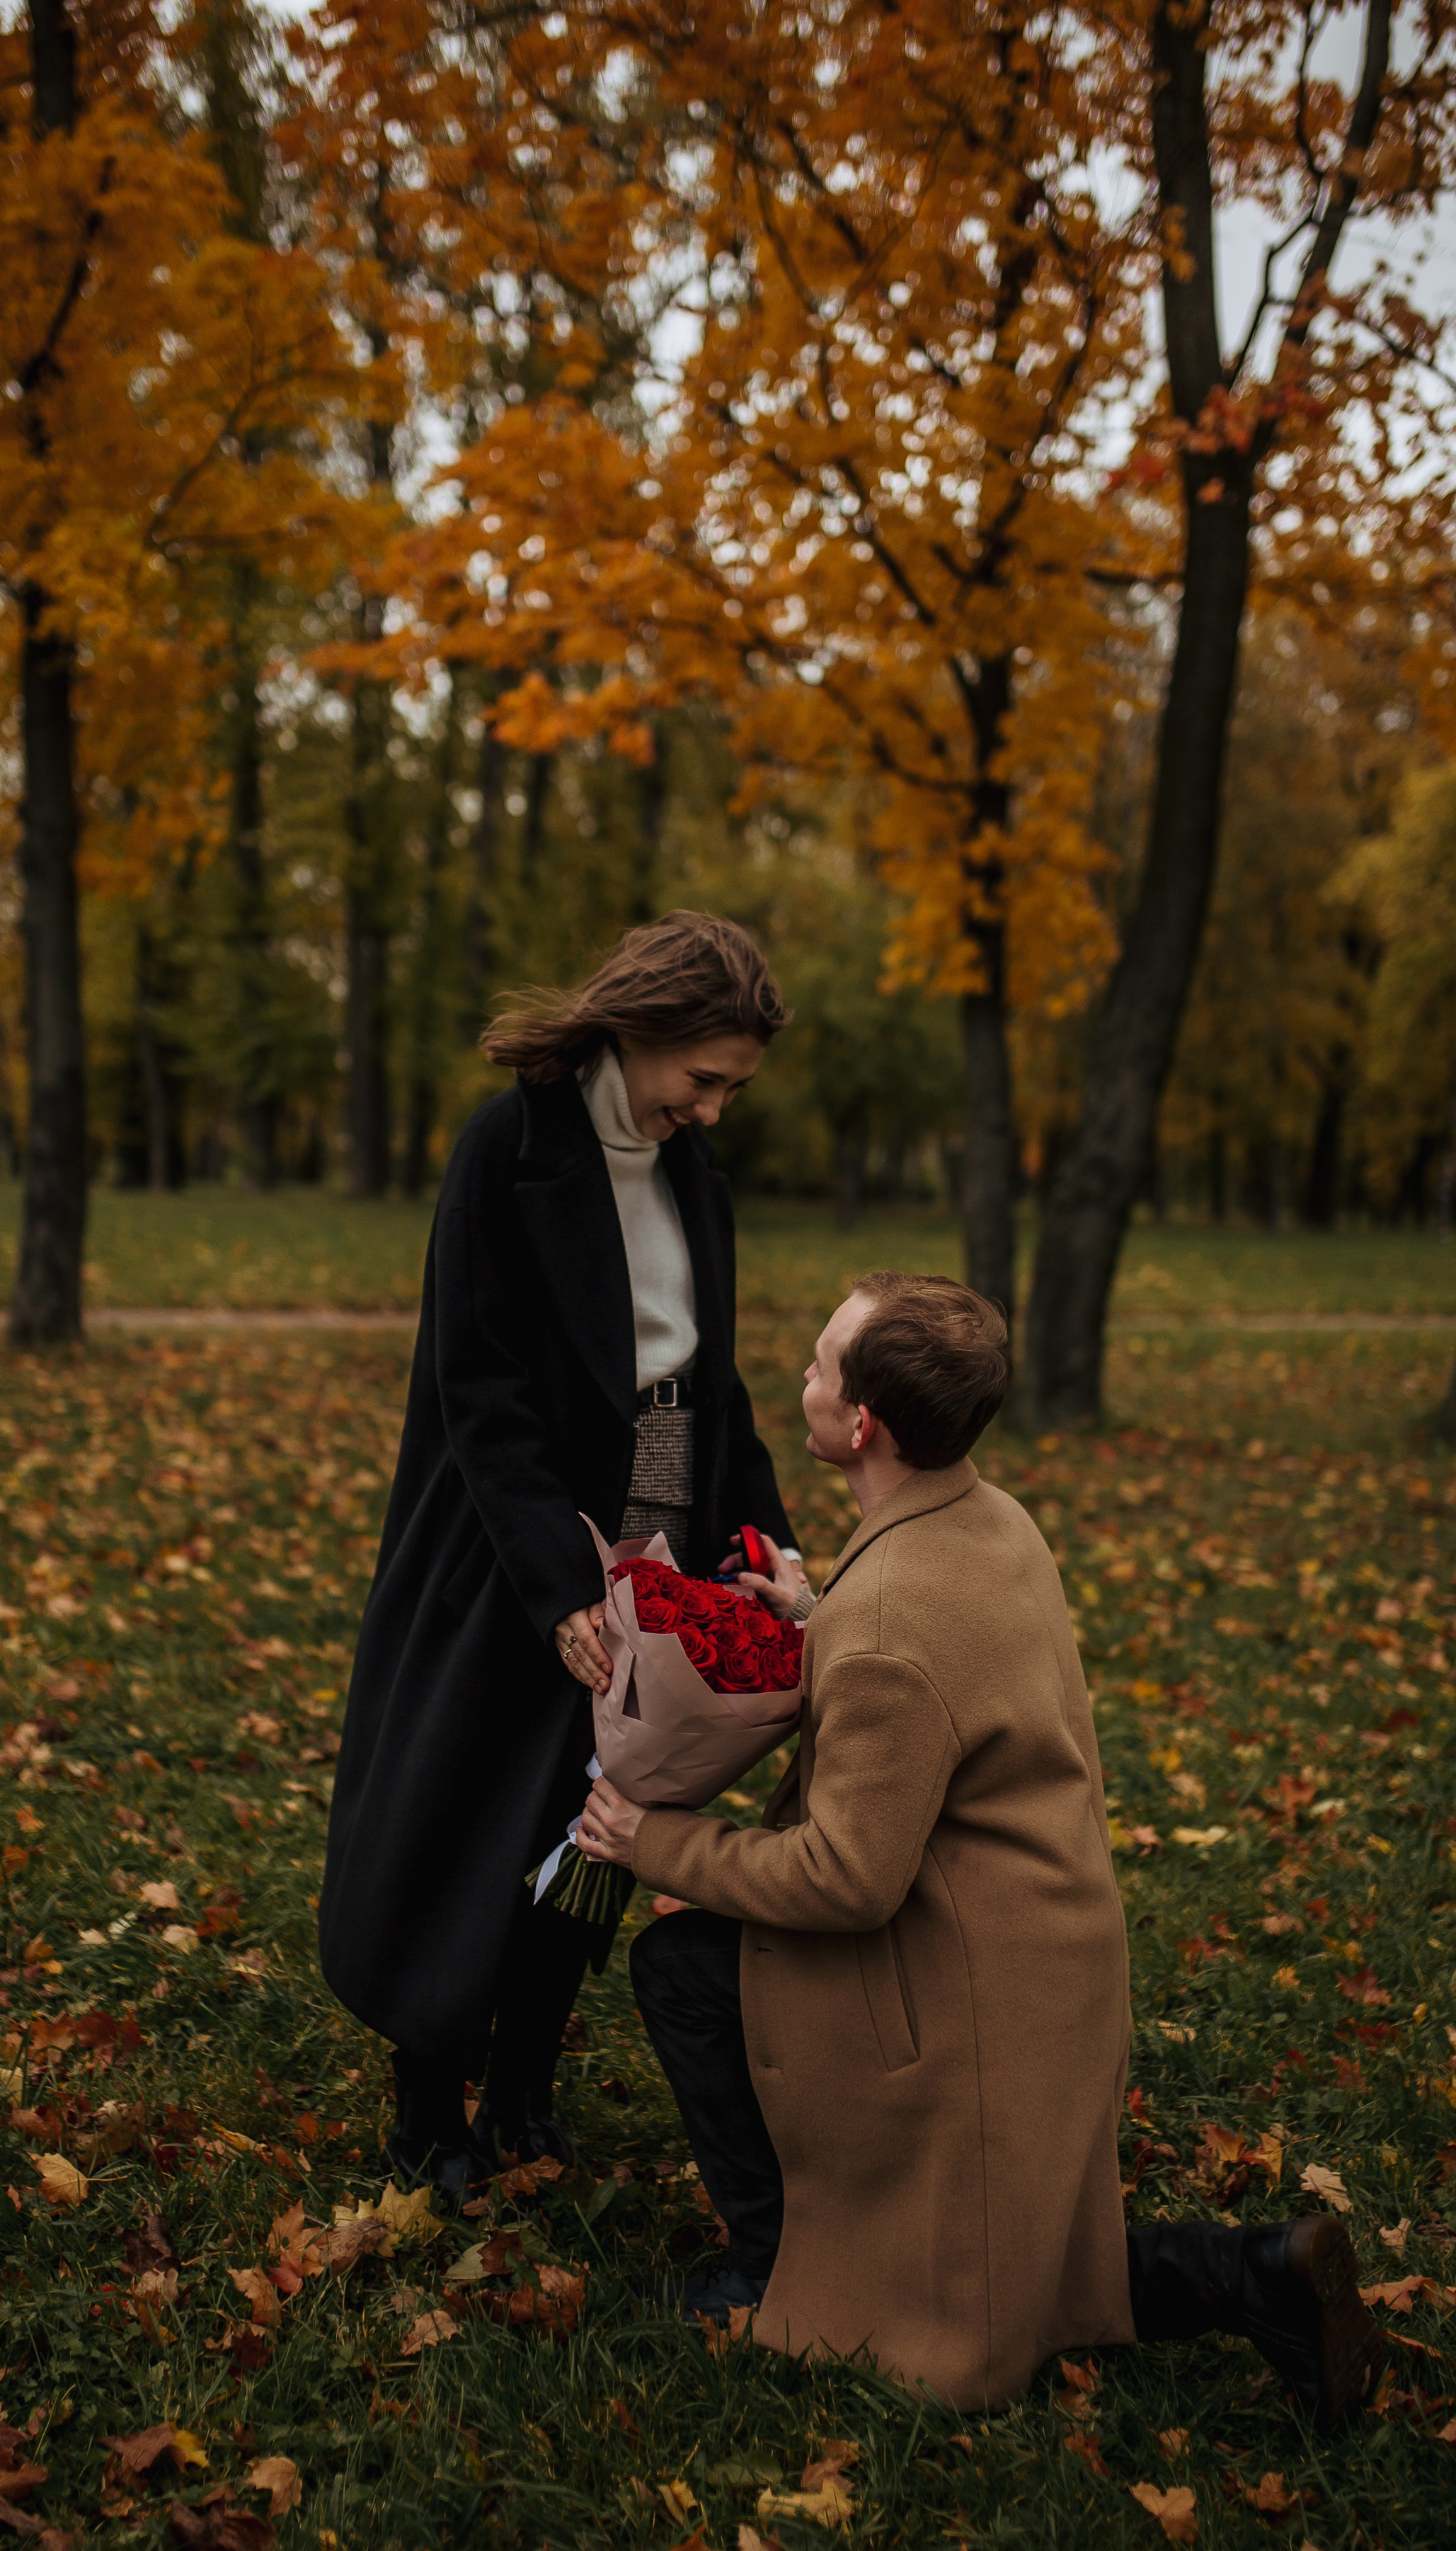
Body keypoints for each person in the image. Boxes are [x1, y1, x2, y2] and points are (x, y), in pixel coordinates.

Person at [575, 1272, 1382, 2425]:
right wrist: (813, 1614)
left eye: (818, 1364)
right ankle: (1262, 2275)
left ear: (861, 1425)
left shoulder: (891, 1626)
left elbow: (848, 1877)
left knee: (686, 1970)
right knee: (1022, 2260)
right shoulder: (986, 1516)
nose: (799, 1376)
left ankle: (777, 2268)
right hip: (1042, 1953)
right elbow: (926, 1652)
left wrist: (656, 1838)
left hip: (967, 1988)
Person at [319, 913, 803, 2205]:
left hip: (657, 1529)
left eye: (731, 1088)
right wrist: (556, 1592)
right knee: (473, 1818)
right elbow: (478, 1389)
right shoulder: (506, 1147)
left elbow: (713, 1384)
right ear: (638, 1028)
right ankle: (429, 2104)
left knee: (600, 1821)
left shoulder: (694, 1173)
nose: (710, 1108)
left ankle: (526, 2082)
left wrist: (767, 1544)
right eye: (700, 1078)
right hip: (506, 1541)